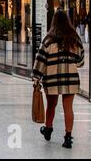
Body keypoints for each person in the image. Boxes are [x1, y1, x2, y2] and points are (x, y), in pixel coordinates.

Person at [32, 9, 85, 149]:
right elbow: (80, 61)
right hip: (70, 79)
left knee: (51, 105)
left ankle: (48, 130)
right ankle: (68, 138)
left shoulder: (48, 40)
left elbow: (41, 60)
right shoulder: (74, 39)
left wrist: (36, 76)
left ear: (53, 22)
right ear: (67, 22)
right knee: (68, 108)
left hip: (52, 78)